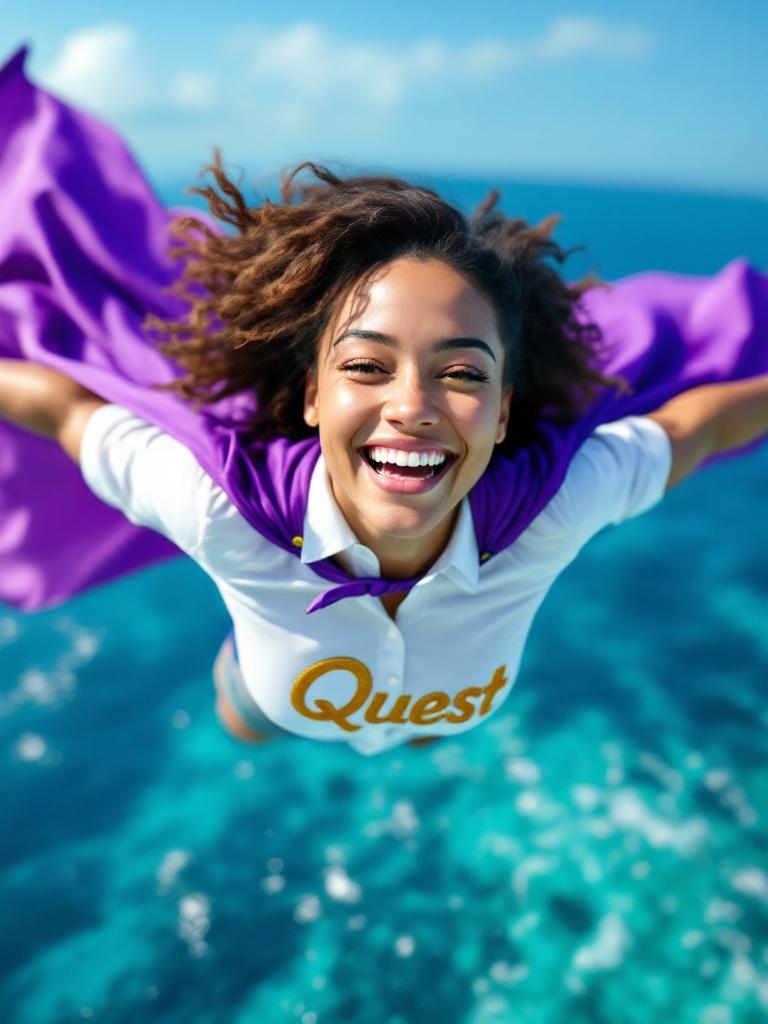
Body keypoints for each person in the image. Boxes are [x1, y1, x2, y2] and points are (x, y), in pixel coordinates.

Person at [1, 44, 767, 757]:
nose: (413, 405)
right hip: (268, 702)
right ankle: (250, 674)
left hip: (436, 712)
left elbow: (693, 426)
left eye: (463, 374)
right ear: (311, 395)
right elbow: (68, 411)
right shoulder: (217, 509)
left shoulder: (559, 506)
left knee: (426, 730)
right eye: (368, 366)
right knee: (246, 722)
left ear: (503, 412)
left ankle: (414, 720)